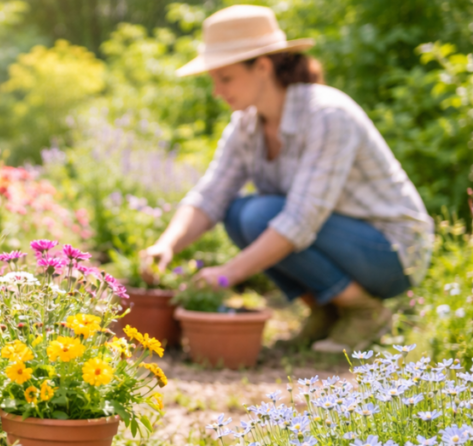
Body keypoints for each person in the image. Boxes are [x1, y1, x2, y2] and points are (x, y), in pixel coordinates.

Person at [139, 5, 433, 352]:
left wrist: (226, 275)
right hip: (340, 243)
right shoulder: (246, 125)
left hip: (393, 253)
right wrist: (167, 244)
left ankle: (366, 312)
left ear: (262, 67)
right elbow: (211, 195)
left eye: (225, 77)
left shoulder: (327, 115)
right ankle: (325, 311)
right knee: (237, 214)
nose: (217, 90)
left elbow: (301, 219)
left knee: (258, 216)